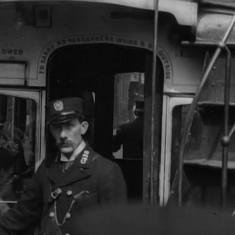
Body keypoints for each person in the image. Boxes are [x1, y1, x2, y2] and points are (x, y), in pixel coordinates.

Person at [0, 97, 127, 235]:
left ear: (83, 127)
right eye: (56, 127)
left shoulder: (105, 171)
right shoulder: (47, 168)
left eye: (69, 126)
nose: (62, 135)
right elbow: (19, 218)